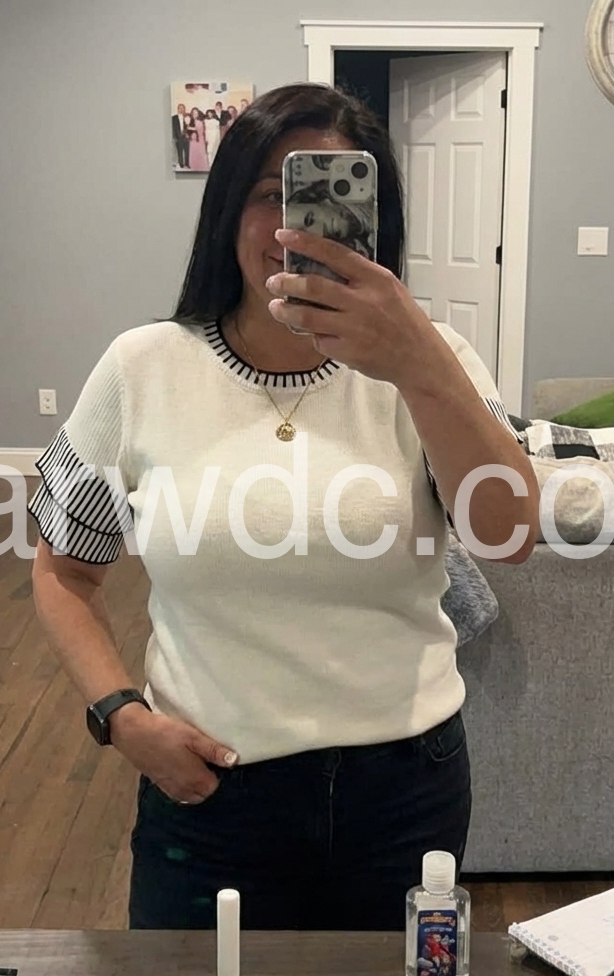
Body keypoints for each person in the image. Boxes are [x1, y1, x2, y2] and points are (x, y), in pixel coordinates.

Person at [28, 82, 539, 932]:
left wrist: (418, 361)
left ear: (375, 223)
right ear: (226, 211)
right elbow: (62, 573)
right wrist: (121, 717)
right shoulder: (142, 367)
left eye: (333, 199)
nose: (294, 228)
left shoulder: (435, 361)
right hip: (210, 790)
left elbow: (509, 535)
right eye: (272, 193)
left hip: (405, 791)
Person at [172, 103, 190, 169]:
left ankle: (187, 164)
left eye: (183, 108)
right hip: (178, 137)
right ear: (178, 109)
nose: (181, 109)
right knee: (179, 151)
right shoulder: (173, 118)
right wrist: (174, 137)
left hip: (186, 136)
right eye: (180, 108)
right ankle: (181, 164)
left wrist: (188, 134)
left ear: (184, 109)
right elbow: (173, 128)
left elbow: (190, 126)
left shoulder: (187, 116)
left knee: (187, 151)